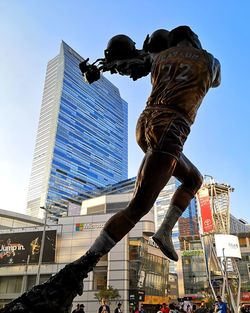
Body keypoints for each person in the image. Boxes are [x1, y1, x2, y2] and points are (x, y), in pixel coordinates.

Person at [83, 25, 221, 263]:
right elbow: (215, 81)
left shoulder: (159, 56)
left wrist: (98, 69)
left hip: (145, 125)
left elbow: (128, 64)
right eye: (196, 36)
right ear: (189, 37)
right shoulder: (210, 61)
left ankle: (165, 231)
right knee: (137, 208)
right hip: (171, 127)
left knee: (194, 179)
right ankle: (83, 264)